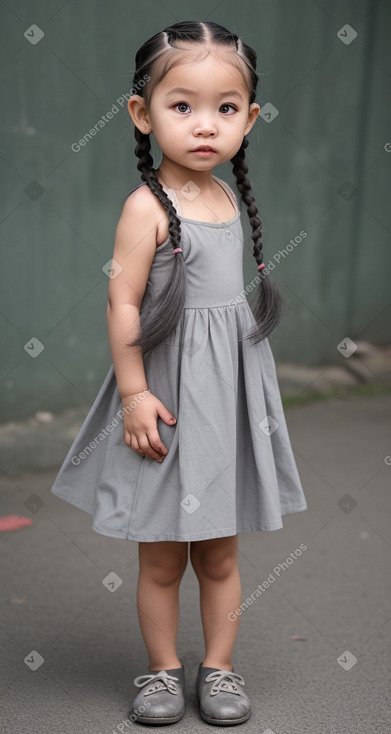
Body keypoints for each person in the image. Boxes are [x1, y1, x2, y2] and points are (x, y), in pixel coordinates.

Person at [50, 20, 308, 726]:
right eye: (182, 105)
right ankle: (162, 672)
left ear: (249, 119)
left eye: (226, 108)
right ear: (141, 112)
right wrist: (134, 395)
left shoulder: (227, 200)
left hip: (222, 401)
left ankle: (218, 670)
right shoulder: (145, 209)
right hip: (166, 399)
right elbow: (121, 299)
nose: (205, 125)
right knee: (163, 557)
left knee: (219, 553)